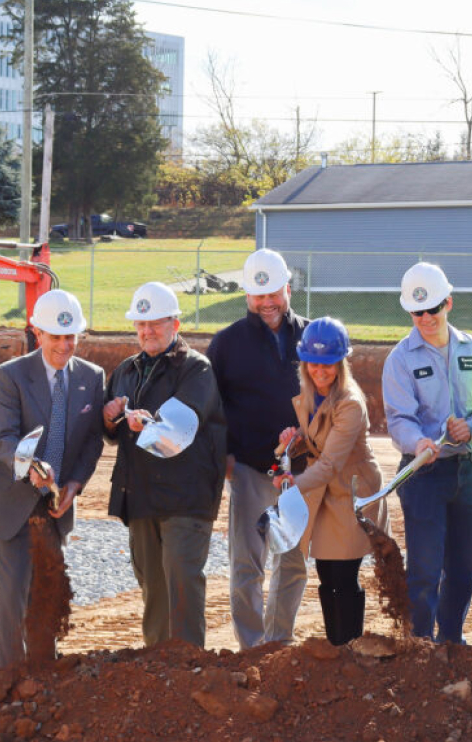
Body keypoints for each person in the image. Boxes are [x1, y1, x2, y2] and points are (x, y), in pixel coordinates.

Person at [0, 289, 106, 667]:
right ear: (38, 334)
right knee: (14, 598)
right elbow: (1, 439)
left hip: (55, 508)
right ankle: (11, 678)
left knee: (47, 593)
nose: (65, 345)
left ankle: (44, 675)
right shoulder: (9, 376)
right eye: (56, 337)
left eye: (72, 337)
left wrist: (76, 485)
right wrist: (31, 467)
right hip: (13, 502)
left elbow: (92, 443)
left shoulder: (92, 377)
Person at [103, 282, 227, 648]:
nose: (147, 332)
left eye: (155, 323)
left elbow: (180, 427)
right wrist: (110, 419)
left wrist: (150, 424)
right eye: (141, 325)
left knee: (181, 581)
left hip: (185, 498)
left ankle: (188, 664)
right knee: (153, 586)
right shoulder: (126, 370)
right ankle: (158, 668)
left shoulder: (195, 369)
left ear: (175, 323)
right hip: (141, 497)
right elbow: (112, 434)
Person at [207, 249, 311, 648]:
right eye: (258, 295)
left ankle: (278, 641)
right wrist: (226, 459)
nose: (267, 303)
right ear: (247, 295)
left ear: (288, 288)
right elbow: (211, 408)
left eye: (275, 294)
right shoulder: (227, 344)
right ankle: (253, 647)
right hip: (250, 469)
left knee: (294, 563)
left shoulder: (310, 336)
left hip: (301, 471)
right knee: (247, 565)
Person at [382, 263, 472, 644]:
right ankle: (421, 646)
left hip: (465, 471)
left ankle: (451, 640)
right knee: (425, 570)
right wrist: (418, 443)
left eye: (433, 309)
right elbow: (398, 419)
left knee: (466, 566)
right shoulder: (400, 359)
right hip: (423, 474)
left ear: (449, 302)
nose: (425, 318)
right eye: (417, 311)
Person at [274, 317, 384, 646]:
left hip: (352, 493)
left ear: (340, 363)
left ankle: (350, 649)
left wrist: (291, 485)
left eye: (328, 364)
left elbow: (330, 463)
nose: (320, 371)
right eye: (313, 364)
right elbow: (317, 441)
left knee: (344, 576)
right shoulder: (309, 395)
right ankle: (336, 649)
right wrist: (293, 441)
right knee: (325, 576)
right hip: (325, 494)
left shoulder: (350, 403)